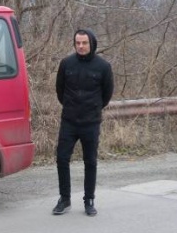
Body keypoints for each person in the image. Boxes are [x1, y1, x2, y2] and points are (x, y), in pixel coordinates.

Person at [52, 29, 114, 217]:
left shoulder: (103, 66)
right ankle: (64, 198)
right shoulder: (66, 63)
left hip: (91, 122)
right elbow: (60, 90)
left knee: (90, 162)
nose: (80, 46)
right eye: (77, 43)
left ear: (92, 43)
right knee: (62, 158)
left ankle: (89, 200)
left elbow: (107, 94)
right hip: (69, 121)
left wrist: (93, 109)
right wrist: (72, 107)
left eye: (84, 43)